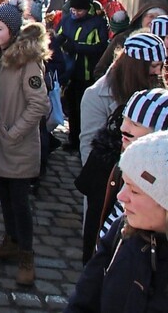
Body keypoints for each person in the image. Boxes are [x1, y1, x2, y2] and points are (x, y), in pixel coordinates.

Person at [0, 0, 51, 286]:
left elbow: (39, 104)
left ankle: (26, 255)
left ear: (11, 29)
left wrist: (14, 131)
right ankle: (9, 241)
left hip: (17, 145)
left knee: (20, 204)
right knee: (3, 198)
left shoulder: (27, 62)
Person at [78, 33, 166, 262]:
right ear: (136, 67)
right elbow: (88, 149)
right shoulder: (97, 96)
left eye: (160, 66)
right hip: (107, 184)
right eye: (154, 66)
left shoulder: (157, 96)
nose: (158, 72)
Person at [65, 131, 168, 312]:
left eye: (135, 191)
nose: (121, 197)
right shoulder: (122, 230)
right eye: (124, 184)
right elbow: (83, 299)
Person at [54, 0, 110, 151]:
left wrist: (77, 47)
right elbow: (59, 34)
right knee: (71, 107)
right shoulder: (68, 20)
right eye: (73, 10)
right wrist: (58, 41)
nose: (75, 13)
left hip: (87, 73)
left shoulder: (97, 23)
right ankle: (73, 139)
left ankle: (85, 141)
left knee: (84, 108)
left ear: (87, 9)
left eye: (79, 10)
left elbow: (101, 47)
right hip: (69, 72)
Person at [94, 0, 168, 79]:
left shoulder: (165, 45)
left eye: (158, 17)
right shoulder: (123, 38)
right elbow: (100, 70)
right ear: (142, 18)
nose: (153, 21)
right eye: (150, 16)